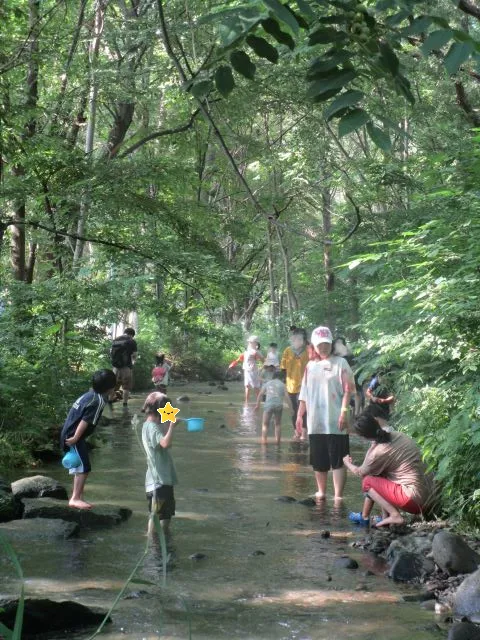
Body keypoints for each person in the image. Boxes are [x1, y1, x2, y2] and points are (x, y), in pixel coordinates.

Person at [343, 411, 433, 527]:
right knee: (380, 473)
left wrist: (347, 463)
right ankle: (384, 518)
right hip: (430, 499)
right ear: (376, 423)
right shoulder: (398, 435)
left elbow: (360, 472)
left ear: (363, 437)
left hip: (414, 501)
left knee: (367, 481)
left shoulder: (377, 452)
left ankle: (395, 516)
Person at [296, 326, 355, 500]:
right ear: (313, 345)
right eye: (320, 344)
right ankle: (321, 492)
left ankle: (338, 496)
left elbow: (348, 390)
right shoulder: (310, 366)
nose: (323, 347)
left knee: (338, 460)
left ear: (331, 344)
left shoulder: (340, 363)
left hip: (336, 420)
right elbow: (304, 394)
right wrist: (300, 416)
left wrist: (344, 412)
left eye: (326, 344)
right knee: (318, 460)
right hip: (315, 422)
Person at [60, 369, 117, 509]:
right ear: (111, 387)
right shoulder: (98, 401)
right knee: (84, 467)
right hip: (74, 437)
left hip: (68, 433)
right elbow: (85, 421)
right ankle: (75, 498)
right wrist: (75, 438)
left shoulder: (89, 395)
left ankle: (77, 496)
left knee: (80, 466)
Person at [142, 394, 178, 536]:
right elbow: (165, 443)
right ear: (160, 410)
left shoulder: (149, 425)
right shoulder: (152, 427)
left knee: (166, 514)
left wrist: (170, 424)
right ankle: (151, 542)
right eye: (166, 410)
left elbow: (160, 440)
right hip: (158, 481)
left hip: (161, 479)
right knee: (156, 514)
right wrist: (172, 427)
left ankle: (163, 539)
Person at [280, 327, 309, 440]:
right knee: (293, 410)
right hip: (290, 386)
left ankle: (304, 433)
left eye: (299, 337)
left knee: (303, 410)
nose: (296, 339)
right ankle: (296, 431)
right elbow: (283, 369)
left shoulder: (308, 350)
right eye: (294, 336)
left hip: (305, 386)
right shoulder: (287, 350)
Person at [228, 335, 265, 403]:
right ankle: (246, 402)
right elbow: (240, 359)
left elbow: (264, 361)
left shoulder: (256, 352)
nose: (249, 343)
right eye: (249, 342)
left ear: (256, 343)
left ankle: (259, 402)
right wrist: (234, 363)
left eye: (251, 342)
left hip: (253, 371)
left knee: (255, 387)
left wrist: (261, 368)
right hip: (246, 371)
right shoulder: (246, 351)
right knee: (247, 386)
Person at [255, 370, 287, 445]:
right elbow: (287, 397)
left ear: (273, 377)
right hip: (278, 405)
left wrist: (257, 405)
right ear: (282, 378)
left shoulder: (268, 383)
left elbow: (260, 394)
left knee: (265, 424)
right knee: (278, 424)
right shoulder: (282, 384)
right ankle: (278, 443)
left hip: (268, 405)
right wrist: (291, 408)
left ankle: (264, 442)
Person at [110, 327, 138, 408]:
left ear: (125, 332)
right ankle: (125, 404)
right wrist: (133, 363)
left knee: (113, 386)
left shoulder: (115, 340)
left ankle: (110, 401)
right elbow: (135, 355)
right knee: (126, 386)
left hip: (115, 367)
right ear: (132, 335)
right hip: (126, 367)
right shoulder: (131, 341)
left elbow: (111, 352)